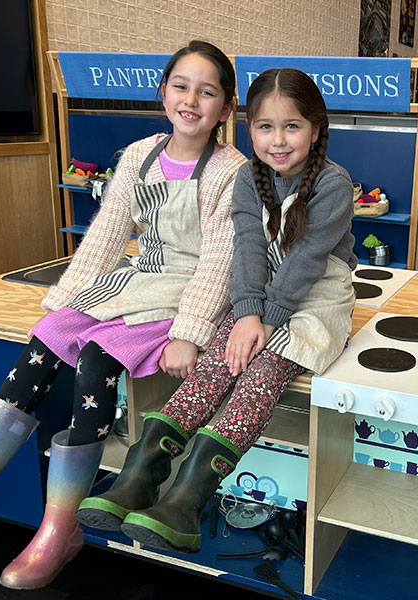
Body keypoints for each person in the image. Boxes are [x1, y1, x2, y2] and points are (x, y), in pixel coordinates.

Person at [0, 40, 247, 588]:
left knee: (98, 360)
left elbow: (220, 262)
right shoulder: (139, 154)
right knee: (45, 341)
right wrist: (65, 306)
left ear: (226, 109)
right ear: (163, 93)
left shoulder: (231, 169)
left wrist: (190, 334)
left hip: (187, 294)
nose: (191, 100)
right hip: (138, 279)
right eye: (181, 86)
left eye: (207, 91)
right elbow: (105, 238)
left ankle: (62, 528)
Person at [77, 67, 357, 554]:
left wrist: (264, 322)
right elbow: (247, 247)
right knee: (215, 365)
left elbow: (306, 264)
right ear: (249, 129)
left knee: (261, 371)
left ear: (316, 128)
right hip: (260, 289)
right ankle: (142, 474)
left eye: (292, 126)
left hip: (316, 295)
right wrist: (246, 314)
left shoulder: (333, 185)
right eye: (265, 127)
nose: (278, 140)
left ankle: (188, 498)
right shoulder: (248, 178)